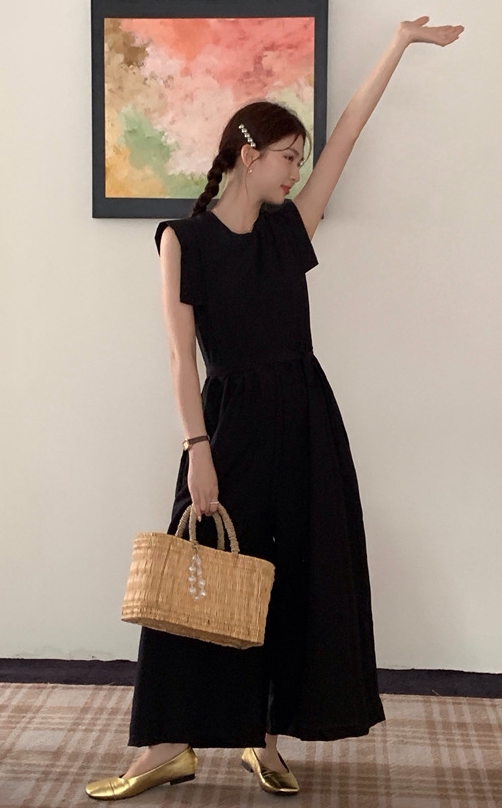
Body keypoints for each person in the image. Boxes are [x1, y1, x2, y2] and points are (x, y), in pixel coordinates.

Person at [86, 15, 464, 801]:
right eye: (287, 157)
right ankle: (167, 744)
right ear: (247, 154)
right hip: (226, 426)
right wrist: (197, 450)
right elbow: (179, 358)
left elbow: (348, 131)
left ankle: (263, 737)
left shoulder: (290, 231)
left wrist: (398, 44)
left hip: (305, 421)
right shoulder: (182, 241)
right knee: (199, 576)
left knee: (291, 581)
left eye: (298, 158)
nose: (296, 170)